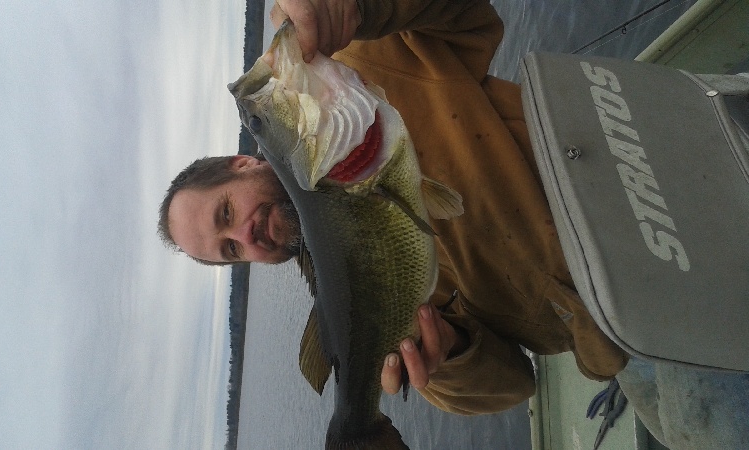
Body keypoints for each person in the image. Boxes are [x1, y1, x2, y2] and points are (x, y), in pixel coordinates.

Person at [158, 0, 749, 447]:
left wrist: (360, 7)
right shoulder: (353, 302)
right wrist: (453, 358)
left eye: (226, 215)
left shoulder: (361, 58)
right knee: (692, 428)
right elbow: (513, 383)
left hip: (652, 188)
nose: (247, 237)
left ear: (244, 163)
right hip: (621, 338)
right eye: (231, 251)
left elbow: (466, 12)